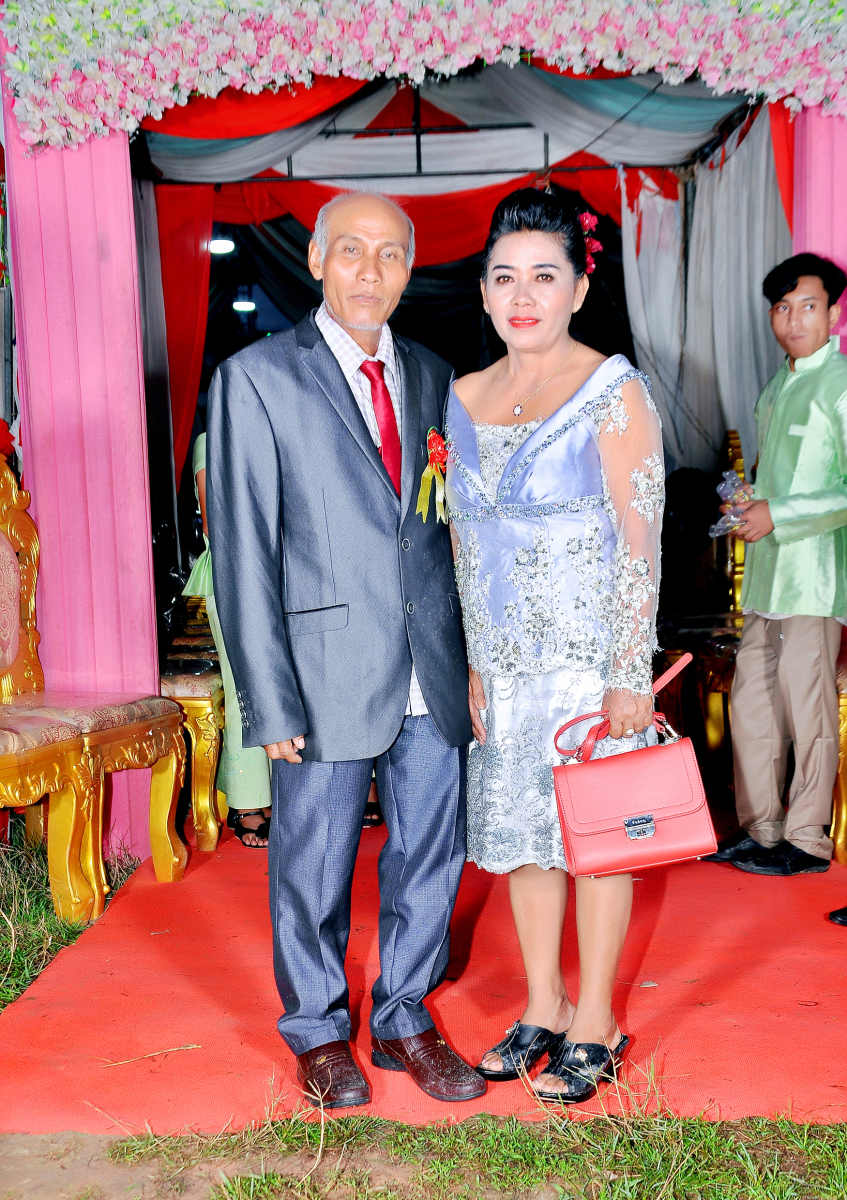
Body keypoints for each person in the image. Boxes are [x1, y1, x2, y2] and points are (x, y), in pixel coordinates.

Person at [207, 192, 485, 1110]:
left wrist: (471, 660)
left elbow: (443, 531)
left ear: (410, 268)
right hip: (320, 669)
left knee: (431, 853)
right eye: (352, 250)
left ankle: (404, 1015)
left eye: (390, 253)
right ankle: (319, 1030)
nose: (371, 270)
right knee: (314, 861)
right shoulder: (256, 378)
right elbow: (243, 548)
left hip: (429, 660)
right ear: (317, 259)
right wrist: (267, 696)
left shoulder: (436, 374)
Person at [446, 189, 663, 1104]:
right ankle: (543, 1003)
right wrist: (471, 661)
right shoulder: (462, 397)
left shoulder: (612, 390)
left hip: (587, 665)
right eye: (504, 277)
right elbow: (461, 544)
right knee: (526, 843)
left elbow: (638, 540)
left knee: (596, 841)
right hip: (503, 667)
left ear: (577, 288)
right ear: (484, 292)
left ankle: (597, 1020)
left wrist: (629, 673)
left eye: (544, 276)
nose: (522, 295)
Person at [706, 253, 847, 877]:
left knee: (808, 710)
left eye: (807, 306)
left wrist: (779, 513)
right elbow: (774, 480)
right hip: (766, 576)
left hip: (814, 577)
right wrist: (747, 502)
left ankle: (808, 838)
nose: (793, 319)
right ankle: (761, 830)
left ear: (833, 314)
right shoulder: (776, 386)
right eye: (782, 308)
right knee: (753, 705)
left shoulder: (840, 384)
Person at [183, 433, 273, 847]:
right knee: (243, 689)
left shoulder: (269, 430)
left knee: (275, 687)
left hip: (275, 575)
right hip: (232, 574)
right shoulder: (210, 442)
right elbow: (213, 521)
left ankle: (273, 794)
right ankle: (246, 803)